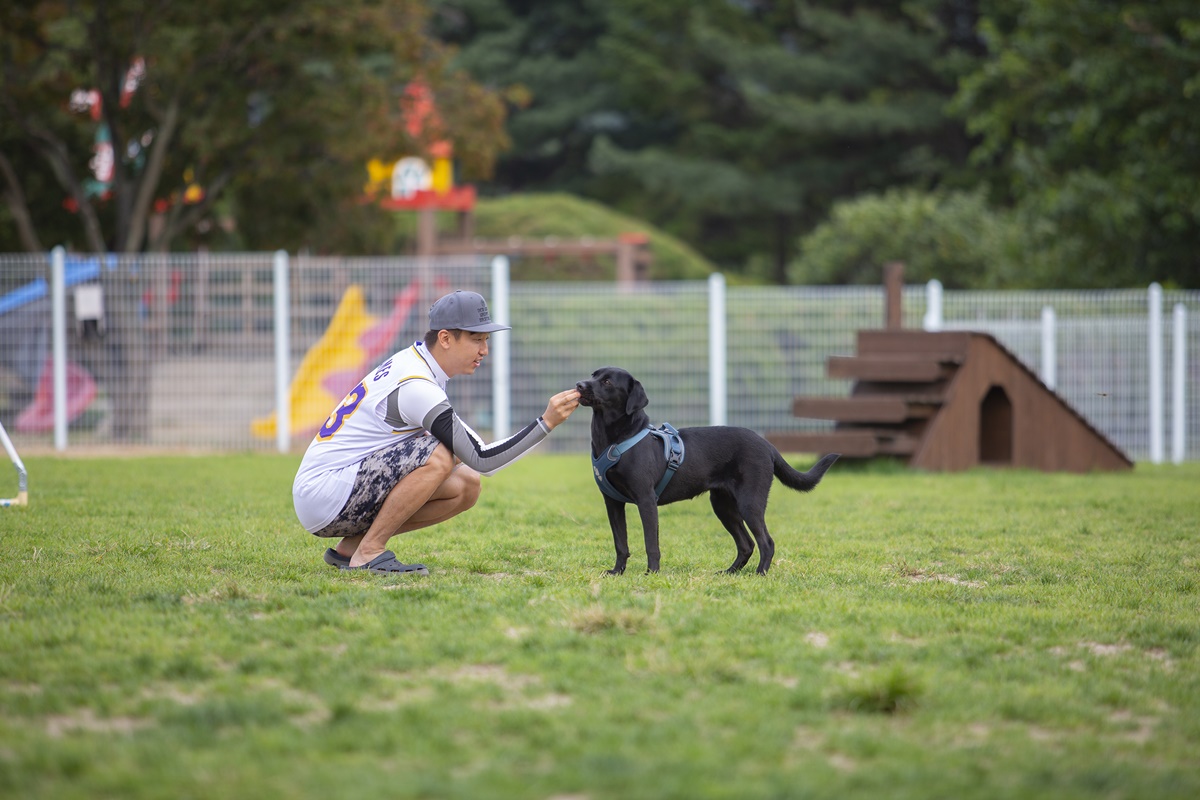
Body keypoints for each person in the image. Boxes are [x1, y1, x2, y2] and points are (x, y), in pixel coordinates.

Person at [292, 289, 581, 574]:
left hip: (332, 493)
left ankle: (353, 548)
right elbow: (483, 458)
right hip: (325, 495)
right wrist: (546, 422)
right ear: (445, 338)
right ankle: (369, 553)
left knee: (467, 485)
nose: (484, 349)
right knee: (442, 454)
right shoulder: (417, 385)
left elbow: (474, 456)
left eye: (486, 340)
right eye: (476, 339)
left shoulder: (417, 363)